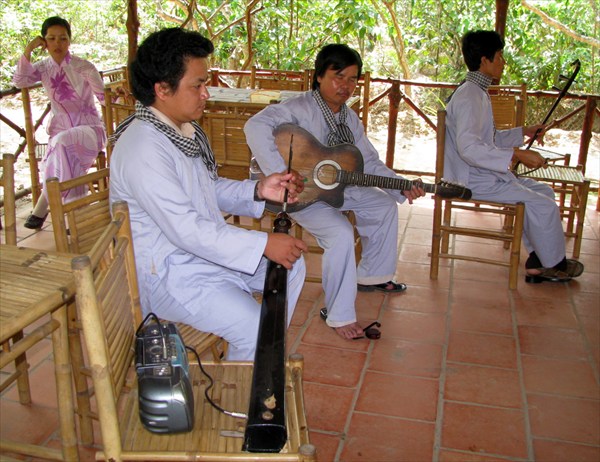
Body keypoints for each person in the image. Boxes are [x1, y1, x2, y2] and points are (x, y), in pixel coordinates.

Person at [109, 28, 307, 361]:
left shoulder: (177, 131)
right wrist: (262, 244)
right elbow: (186, 229)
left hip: (199, 255)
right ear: (162, 89)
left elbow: (205, 190)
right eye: (197, 85)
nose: (206, 93)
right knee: (254, 326)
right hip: (168, 274)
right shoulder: (143, 147)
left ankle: (260, 362)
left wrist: (259, 189)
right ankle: (248, 381)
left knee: (292, 266)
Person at [244, 44, 425, 341]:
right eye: (338, 76)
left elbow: (369, 163)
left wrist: (400, 184)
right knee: (340, 233)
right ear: (319, 76)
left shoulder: (349, 119)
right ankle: (339, 314)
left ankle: (370, 276)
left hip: (338, 188)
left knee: (383, 205)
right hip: (301, 195)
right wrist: (281, 174)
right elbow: (255, 125)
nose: (346, 86)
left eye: (352, 79)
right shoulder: (299, 108)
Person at [443, 29, 584, 283]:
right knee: (543, 204)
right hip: (470, 180)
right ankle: (554, 265)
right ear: (484, 60)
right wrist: (516, 154)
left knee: (544, 193)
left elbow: (488, 139)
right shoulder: (470, 96)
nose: (503, 62)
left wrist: (524, 132)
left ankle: (538, 260)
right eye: (499, 56)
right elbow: (469, 148)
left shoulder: (476, 91)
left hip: (482, 174)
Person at [13, 16, 107, 229]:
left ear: (69, 41)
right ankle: (74, 214)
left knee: (60, 145)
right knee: (61, 149)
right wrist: (29, 49)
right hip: (60, 132)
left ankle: (42, 209)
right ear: (44, 42)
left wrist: (121, 97)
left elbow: (104, 97)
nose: (57, 43)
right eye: (51, 38)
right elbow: (20, 81)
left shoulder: (83, 67)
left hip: (90, 129)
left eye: (63, 38)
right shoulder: (43, 68)